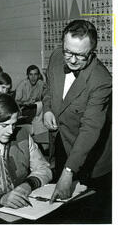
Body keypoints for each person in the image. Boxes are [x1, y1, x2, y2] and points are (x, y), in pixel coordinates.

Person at [43, 20, 112, 217]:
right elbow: (48, 87)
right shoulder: (57, 56)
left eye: (80, 55)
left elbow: (90, 129)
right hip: (62, 143)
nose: (72, 60)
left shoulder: (101, 80)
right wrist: (47, 108)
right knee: (59, 210)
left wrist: (69, 171)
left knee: (88, 214)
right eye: (68, 52)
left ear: (92, 52)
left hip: (91, 156)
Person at [15, 65, 47, 135]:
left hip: (35, 108)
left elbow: (48, 91)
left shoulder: (40, 83)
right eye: (31, 74)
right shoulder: (22, 85)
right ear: (27, 75)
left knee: (45, 107)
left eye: (35, 74)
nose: (33, 77)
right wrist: (25, 103)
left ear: (38, 75)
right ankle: (39, 133)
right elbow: (16, 102)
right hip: (23, 110)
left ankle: (40, 133)